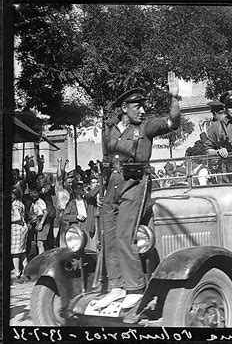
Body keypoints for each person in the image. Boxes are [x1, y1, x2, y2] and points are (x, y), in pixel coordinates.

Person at [95, 71, 181, 312]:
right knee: (108, 236)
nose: (142, 110)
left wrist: (174, 98)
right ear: (124, 108)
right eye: (137, 106)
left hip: (135, 183)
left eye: (144, 106)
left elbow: (173, 122)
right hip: (112, 185)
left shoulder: (146, 126)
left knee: (124, 234)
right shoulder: (110, 129)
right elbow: (106, 159)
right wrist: (101, 190)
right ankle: (116, 286)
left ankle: (134, 288)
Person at [62, 179, 97, 251]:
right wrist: (76, 217)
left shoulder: (86, 201)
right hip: (76, 231)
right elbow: (65, 217)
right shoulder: (71, 203)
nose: (82, 189)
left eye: (82, 187)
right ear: (75, 190)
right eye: (79, 188)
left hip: (86, 229)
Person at [11, 188, 28, 280]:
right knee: (22, 250)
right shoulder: (20, 203)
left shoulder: (14, 204)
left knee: (15, 251)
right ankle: (26, 268)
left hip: (17, 228)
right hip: (23, 228)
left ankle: (17, 271)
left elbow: (17, 217)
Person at [29, 186, 50, 255]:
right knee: (39, 242)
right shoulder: (34, 203)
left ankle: (41, 259)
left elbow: (45, 212)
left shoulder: (40, 201)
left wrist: (41, 223)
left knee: (40, 243)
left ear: (38, 193)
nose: (33, 195)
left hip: (43, 220)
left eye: (35, 193)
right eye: (31, 193)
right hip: (37, 220)